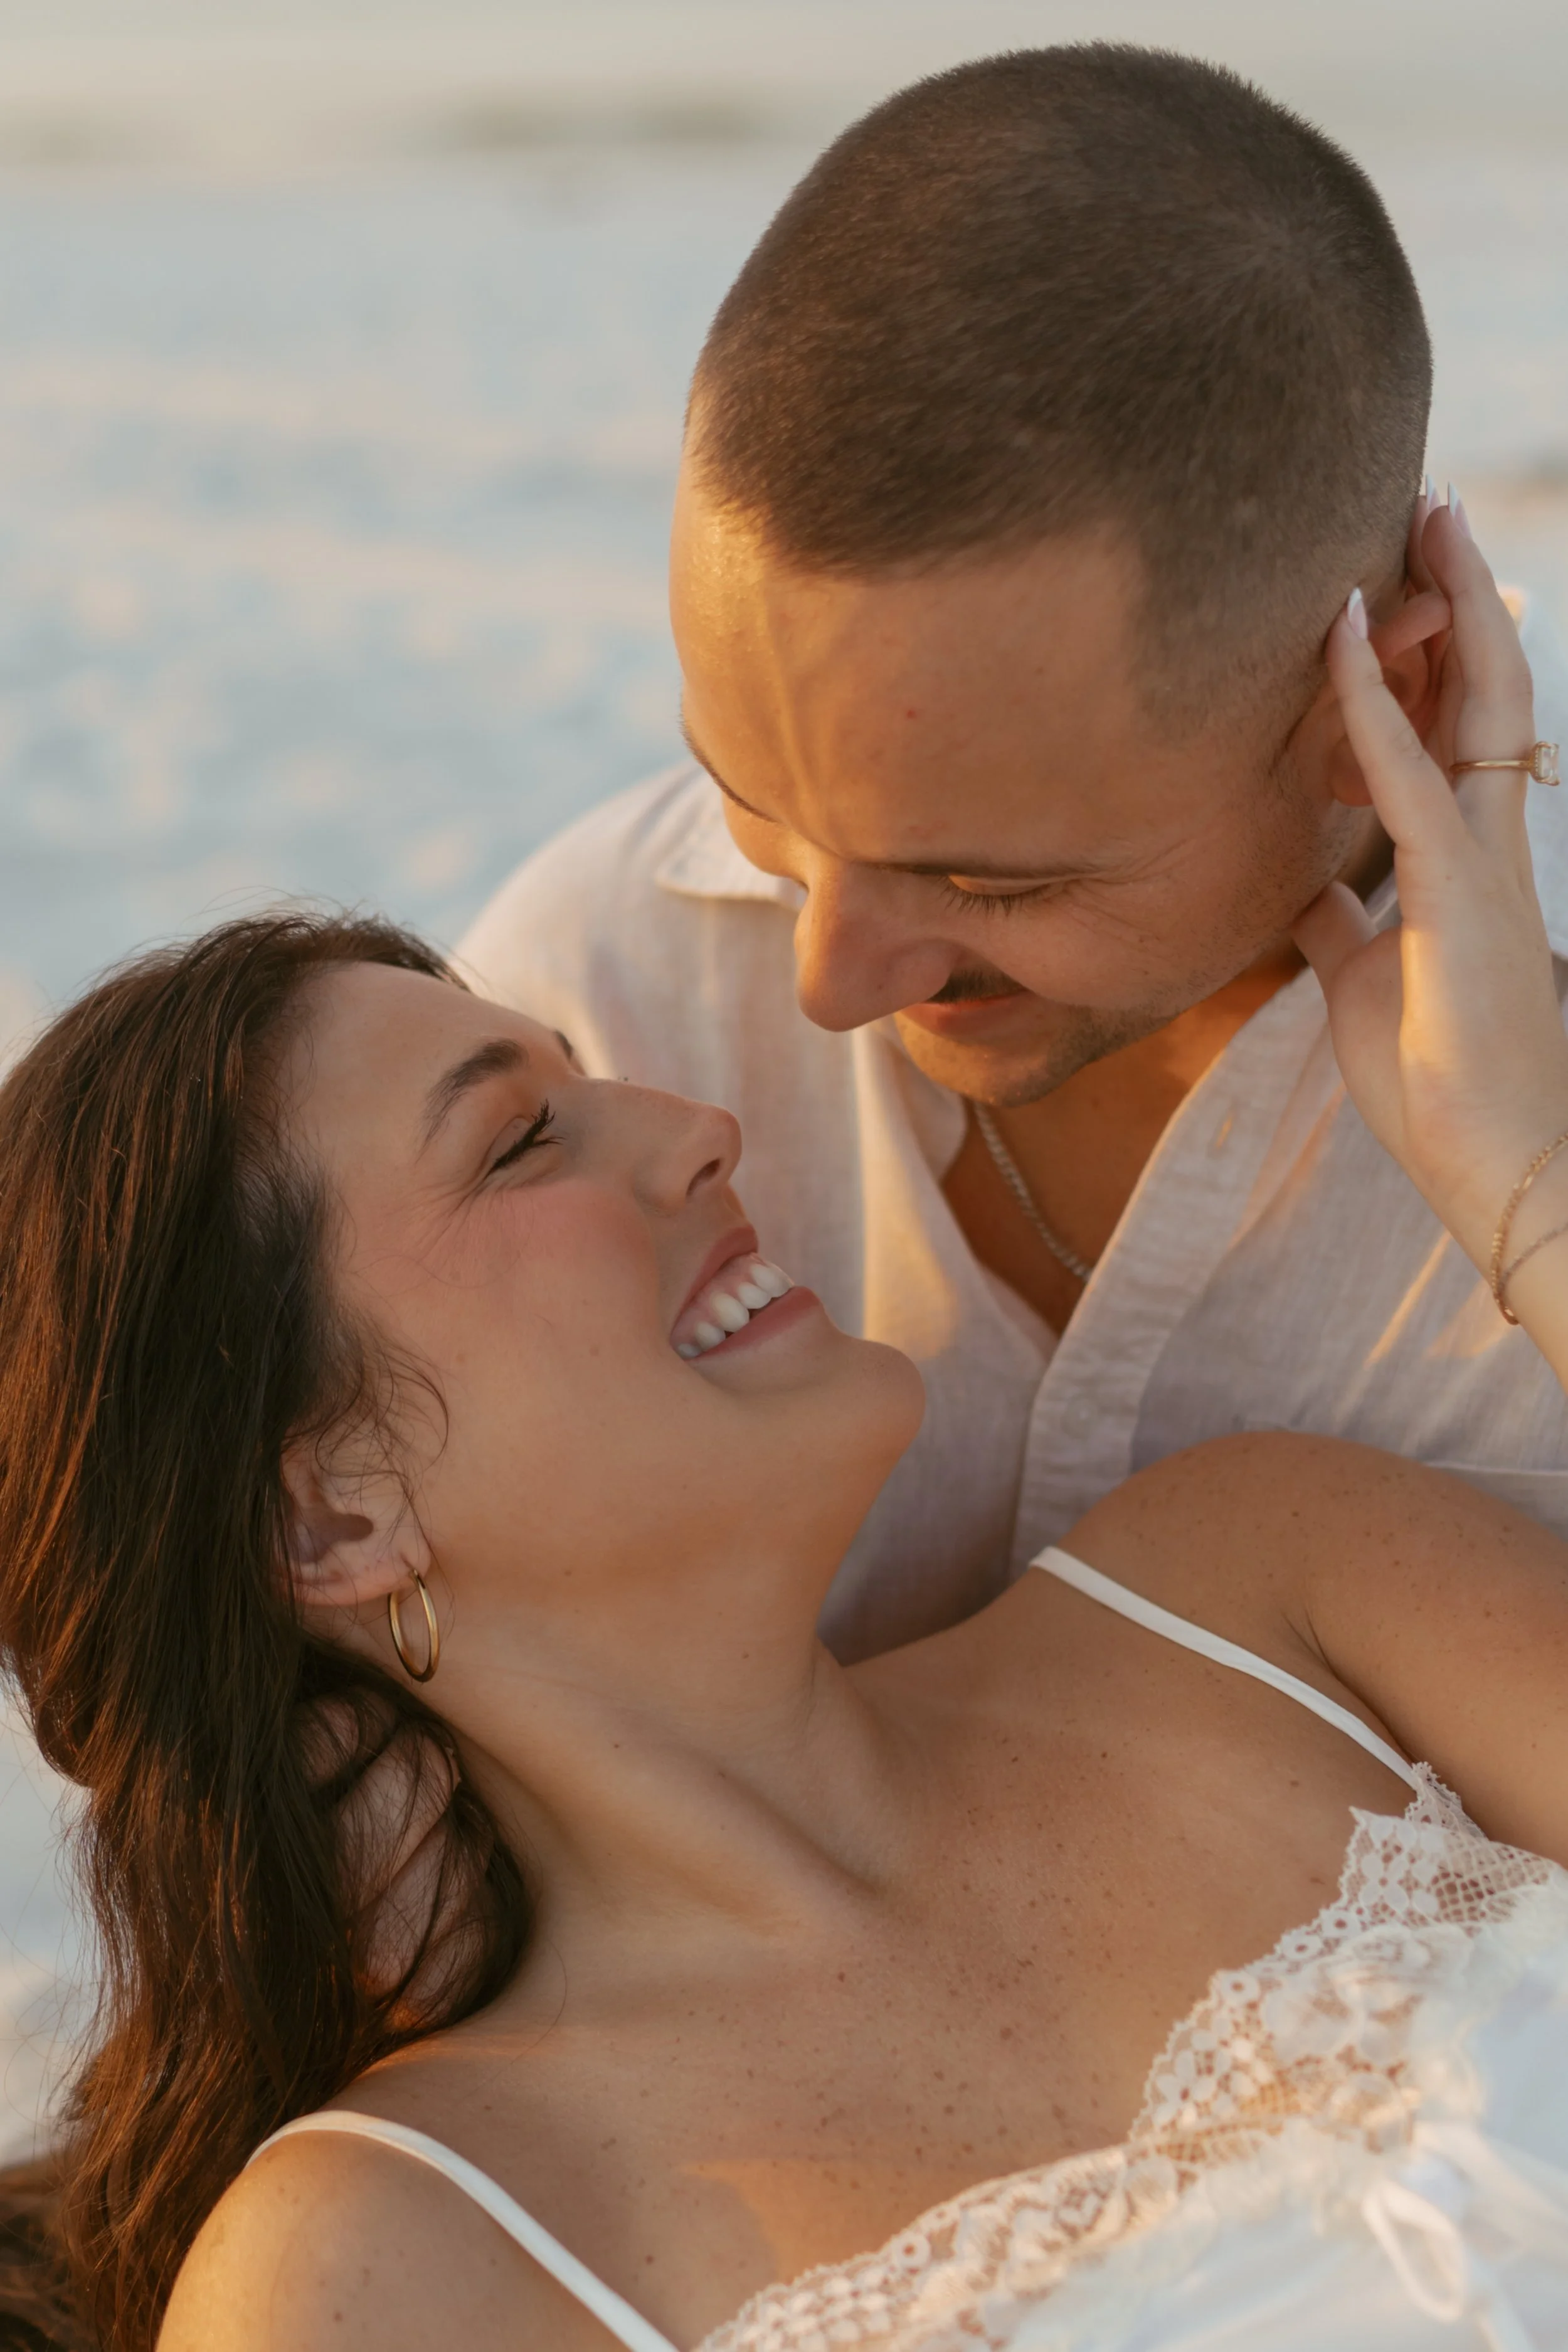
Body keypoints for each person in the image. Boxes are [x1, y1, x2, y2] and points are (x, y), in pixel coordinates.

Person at [3, 507, 1565, 2352]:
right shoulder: (384, 2255)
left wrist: (1528, 1183)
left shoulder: (1267, 1581)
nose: (694, 1126)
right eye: (518, 1142)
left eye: (587, 1085)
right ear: (332, 1522)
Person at [460, 46, 1568, 1664]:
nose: (824, 986)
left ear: (1378, 702)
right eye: (753, 801)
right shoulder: (589, 995)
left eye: (986, 880)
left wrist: (1531, 1192)